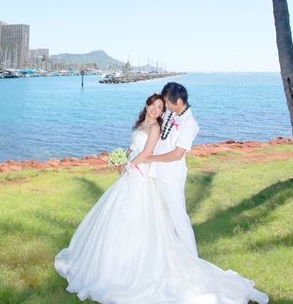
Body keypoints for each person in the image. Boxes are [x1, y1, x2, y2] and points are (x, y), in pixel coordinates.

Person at [54, 93, 268, 304]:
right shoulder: (142, 123)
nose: (156, 110)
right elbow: (134, 147)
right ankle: (110, 264)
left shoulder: (155, 127)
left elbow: (147, 153)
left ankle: (136, 270)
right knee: (116, 218)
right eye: (153, 105)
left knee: (136, 217)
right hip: (131, 170)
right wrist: (123, 157)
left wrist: (129, 166)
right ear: (146, 105)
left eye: (160, 107)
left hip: (140, 175)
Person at [147, 82, 200, 256]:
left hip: (171, 176)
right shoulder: (171, 112)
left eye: (169, 102)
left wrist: (150, 158)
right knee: (162, 215)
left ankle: (191, 257)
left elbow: (177, 154)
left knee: (178, 217)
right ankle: (169, 254)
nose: (166, 105)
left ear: (179, 101)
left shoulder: (189, 124)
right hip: (155, 172)